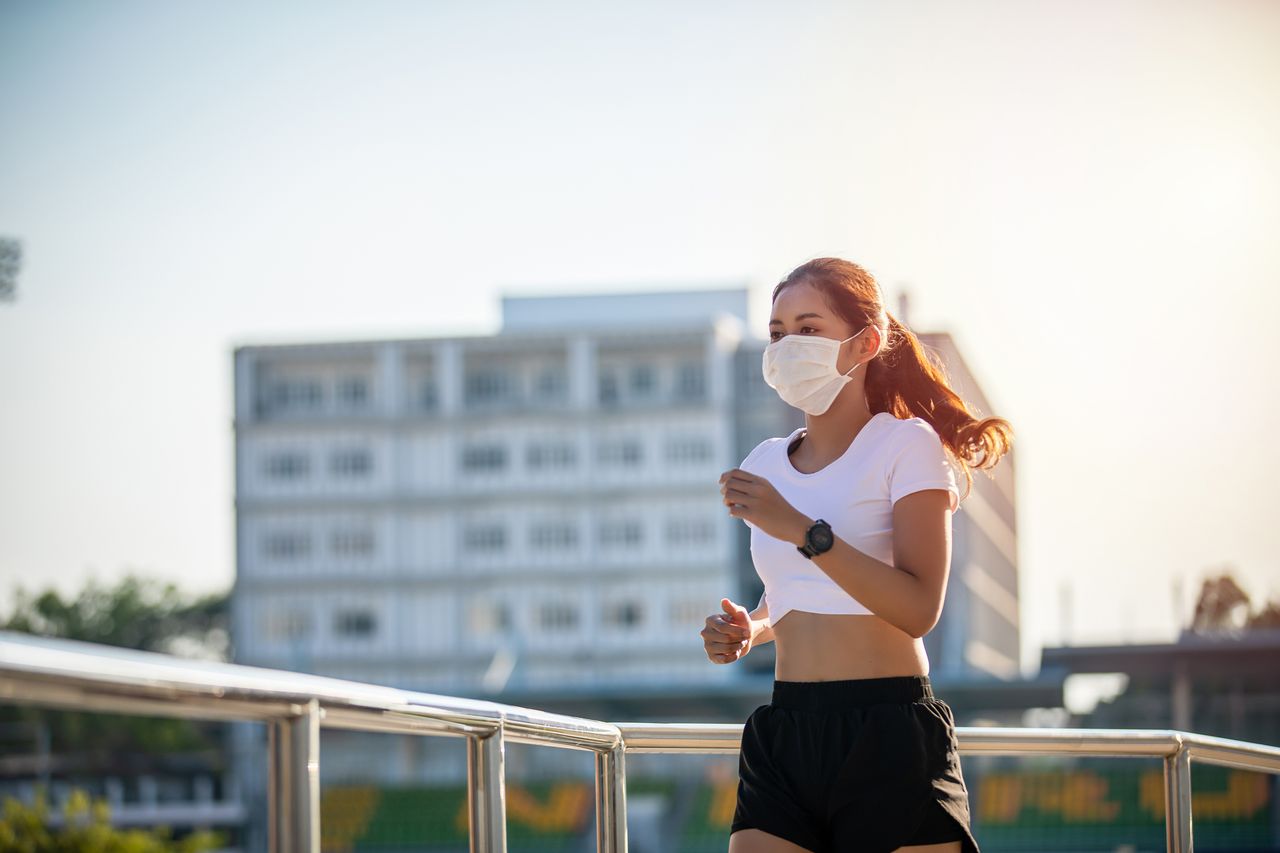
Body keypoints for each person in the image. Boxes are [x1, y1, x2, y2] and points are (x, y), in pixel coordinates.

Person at [706, 258, 1013, 853]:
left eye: (809, 328)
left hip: (889, 728)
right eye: (776, 333)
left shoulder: (906, 446)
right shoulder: (763, 462)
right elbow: (794, 591)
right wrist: (754, 625)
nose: (787, 345)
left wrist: (799, 527)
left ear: (865, 341)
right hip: (786, 729)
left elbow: (919, 606)